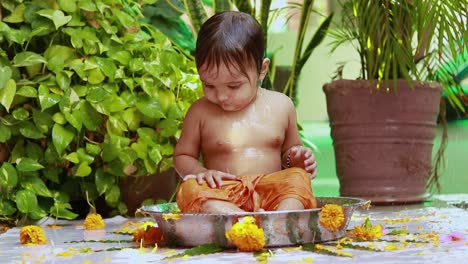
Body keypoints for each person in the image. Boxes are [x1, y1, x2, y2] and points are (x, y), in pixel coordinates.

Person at [174, 11, 318, 213]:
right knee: (189, 190)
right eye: (209, 85)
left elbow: (290, 152)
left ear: (262, 69)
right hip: (224, 193)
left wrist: (297, 158)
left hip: (271, 193)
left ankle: (280, 218)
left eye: (233, 86)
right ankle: (241, 220)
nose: (221, 96)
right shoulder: (200, 112)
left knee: (298, 178)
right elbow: (182, 156)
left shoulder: (281, 105)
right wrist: (200, 173)